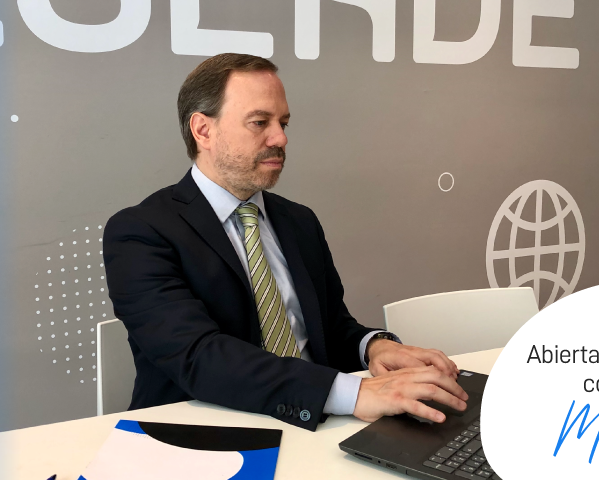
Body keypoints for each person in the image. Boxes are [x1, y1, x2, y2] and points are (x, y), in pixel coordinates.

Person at [102, 53, 469, 431]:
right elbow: (198, 357)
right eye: (260, 122)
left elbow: (330, 328)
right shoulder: (140, 232)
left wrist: (375, 346)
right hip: (200, 435)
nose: (280, 138)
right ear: (203, 130)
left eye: (283, 123)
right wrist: (354, 393)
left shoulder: (299, 221)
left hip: (316, 424)